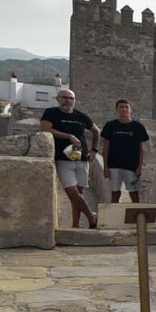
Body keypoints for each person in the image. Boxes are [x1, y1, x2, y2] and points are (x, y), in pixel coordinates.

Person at [40, 87, 100, 229]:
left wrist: (94, 150)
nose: (68, 100)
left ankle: (76, 225)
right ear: (58, 99)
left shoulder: (81, 116)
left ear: (74, 100)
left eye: (71, 98)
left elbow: (96, 131)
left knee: (78, 194)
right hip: (63, 159)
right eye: (65, 97)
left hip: (81, 158)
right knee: (72, 192)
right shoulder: (51, 113)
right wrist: (68, 136)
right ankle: (91, 216)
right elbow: (46, 129)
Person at [100, 99, 150, 204]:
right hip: (114, 165)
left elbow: (141, 148)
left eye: (126, 107)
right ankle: (114, 217)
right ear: (116, 109)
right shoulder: (110, 126)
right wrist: (105, 167)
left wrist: (139, 167)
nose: (124, 109)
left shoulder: (138, 127)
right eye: (121, 107)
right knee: (115, 194)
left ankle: (136, 217)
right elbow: (106, 147)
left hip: (132, 166)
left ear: (130, 110)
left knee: (134, 194)